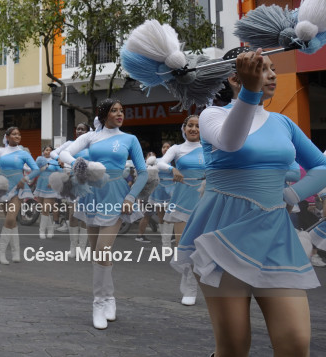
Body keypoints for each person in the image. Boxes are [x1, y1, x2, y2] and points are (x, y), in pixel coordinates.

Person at [172, 50, 326, 357]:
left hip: (276, 234)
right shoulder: (212, 115)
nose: (270, 75)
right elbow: (231, 142)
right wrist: (251, 92)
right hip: (223, 231)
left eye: (272, 69)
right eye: (260, 69)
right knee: (233, 347)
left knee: (296, 343)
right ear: (233, 78)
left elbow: (321, 167)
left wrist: (290, 196)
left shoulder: (284, 123)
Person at [59, 99, 147, 330]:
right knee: (97, 253)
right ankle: (109, 298)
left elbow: (144, 172)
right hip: (91, 195)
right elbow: (64, 153)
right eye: (114, 110)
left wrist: (131, 197)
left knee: (102, 250)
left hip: (117, 196)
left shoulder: (130, 139)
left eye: (121, 110)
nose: (119, 114)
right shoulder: (91, 137)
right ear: (104, 114)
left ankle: (98, 303)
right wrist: (83, 164)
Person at [155, 116, 204, 306]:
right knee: (184, 246)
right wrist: (172, 169)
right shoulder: (177, 149)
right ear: (183, 128)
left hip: (206, 201)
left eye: (198, 126)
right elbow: (160, 163)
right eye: (190, 125)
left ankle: (211, 286)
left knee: (207, 246)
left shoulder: (209, 148)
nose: (194, 128)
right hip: (182, 201)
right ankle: (190, 288)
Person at [0, 127, 41, 265]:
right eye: (14, 134)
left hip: (18, 188)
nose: (17, 136)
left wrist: (25, 180)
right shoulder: (1, 151)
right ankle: (16, 252)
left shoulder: (23, 153)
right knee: (11, 222)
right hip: (2, 187)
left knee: (10, 218)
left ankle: (0, 253)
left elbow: (36, 169)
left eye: (19, 134)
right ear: (7, 137)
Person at [50, 122, 92, 255]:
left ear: (88, 131)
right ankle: (73, 247)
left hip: (88, 182)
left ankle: (82, 247)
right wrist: (59, 159)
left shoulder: (93, 145)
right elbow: (53, 153)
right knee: (73, 214)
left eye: (82, 129)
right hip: (73, 182)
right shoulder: (69, 144)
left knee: (85, 215)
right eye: (78, 129)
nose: (79, 131)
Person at [34, 146, 60, 239]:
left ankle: (41, 231)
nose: (48, 152)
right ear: (43, 151)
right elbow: (34, 170)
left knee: (45, 209)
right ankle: (50, 229)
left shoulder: (56, 161)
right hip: (41, 186)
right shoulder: (40, 160)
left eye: (50, 150)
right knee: (44, 210)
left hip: (51, 187)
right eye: (46, 150)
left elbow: (61, 173)